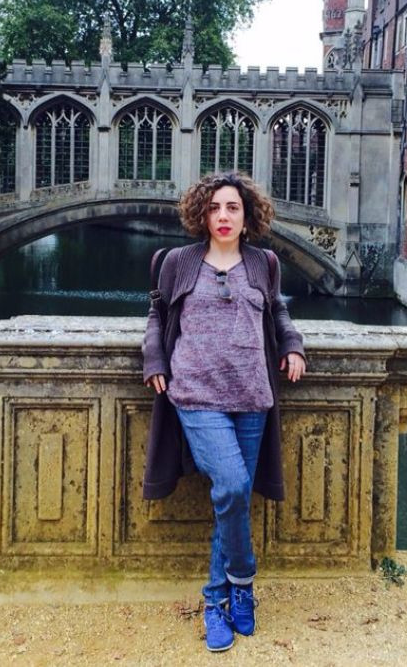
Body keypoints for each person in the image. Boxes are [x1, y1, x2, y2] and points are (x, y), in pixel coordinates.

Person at [141, 171, 306, 652]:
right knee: (232, 484)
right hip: (195, 394)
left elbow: (277, 312)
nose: (223, 216)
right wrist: (154, 359)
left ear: (247, 213)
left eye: (232, 207)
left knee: (229, 501)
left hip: (253, 394)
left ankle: (220, 599)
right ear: (202, 214)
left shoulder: (264, 264)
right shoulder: (178, 262)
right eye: (215, 208)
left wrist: (293, 345)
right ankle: (242, 583)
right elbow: (156, 314)